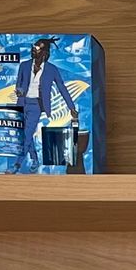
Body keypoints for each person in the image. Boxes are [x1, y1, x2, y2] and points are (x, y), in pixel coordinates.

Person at [13, 38, 80, 172]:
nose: (34, 49)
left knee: (26, 134)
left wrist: (71, 107)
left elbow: (62, 88)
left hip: (36, 105)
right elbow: (18, 84)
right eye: (33, 46)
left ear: (44, 52)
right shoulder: (24, 65)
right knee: (26, 134)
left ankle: (17, 165)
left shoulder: (52, 70)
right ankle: (35, 159)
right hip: (22, 103)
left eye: (37, 48)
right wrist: (19, 91)